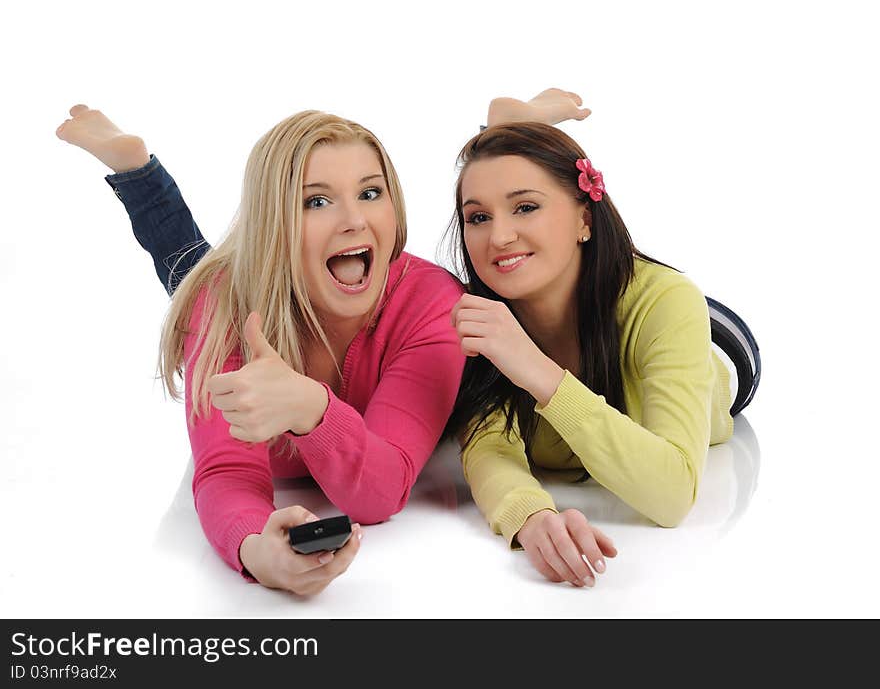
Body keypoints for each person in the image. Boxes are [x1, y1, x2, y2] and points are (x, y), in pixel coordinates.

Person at [56, 105, 470, 596]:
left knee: (191, 272)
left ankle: (138, 172)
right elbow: (227, 471)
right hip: (245, 288)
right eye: (316, 202)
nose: (355, 220)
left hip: (276, 285)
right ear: (272, 226)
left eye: (370, 192)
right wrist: (256, 549)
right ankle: (139, 173)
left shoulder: (433, 301)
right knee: (190, 277)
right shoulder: (223, 304)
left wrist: (310, 408)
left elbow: (379, 493)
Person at [444, 112, 761, 588]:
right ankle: (514, 121)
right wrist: (530, 518)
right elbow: (488, 450)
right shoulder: (477, 320)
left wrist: (533, 367)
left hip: (714, 340)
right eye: (478, 217)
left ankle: (515, 121)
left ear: (584, 220)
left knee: (680, 308)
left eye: (525, 207)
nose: (499, 236)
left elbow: (672, 495)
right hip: (582, 295)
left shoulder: (665, 302)